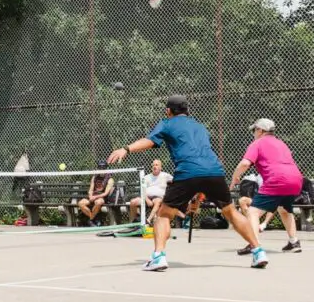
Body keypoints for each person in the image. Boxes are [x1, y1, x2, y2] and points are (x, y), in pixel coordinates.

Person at [108, 95, 268, 271]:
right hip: (214, 171)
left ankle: (158, 256)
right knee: (231, 212)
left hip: (187, 171)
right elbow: (200, 154)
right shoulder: (200, 127)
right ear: (186, 111)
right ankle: (258, 251)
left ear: (168, 111)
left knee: (163, 215)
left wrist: (126, 149)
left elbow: (151, 141)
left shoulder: (167, 123)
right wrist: (199, 191)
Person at [230, 118, 303, 254]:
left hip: (277, 180)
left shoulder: (257, 143)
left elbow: (245, 163)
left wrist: (235, 177)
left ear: (260, 130)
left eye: (254, 130)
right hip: (295, 179)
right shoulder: (282, 143)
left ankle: (254, 245)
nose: (253, 133)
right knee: (285, 210)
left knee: (253, 212)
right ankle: (294, 243)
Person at [129, 159, 173, 224]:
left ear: (161, 167)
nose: (154, 166)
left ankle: (148, 220)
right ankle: (133, 222)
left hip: (159, 198)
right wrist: (147, 200)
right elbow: (143, 190)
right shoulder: (146, 177)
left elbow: (176, 182)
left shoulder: (165, 175)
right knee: (133, 202)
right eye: (153, 165)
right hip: (147, 198)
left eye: (157, 165)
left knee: (157, 201)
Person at [77, 161, 115, 227]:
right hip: (93, 196)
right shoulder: (94, 177)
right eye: (100, 167)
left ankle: (90, 220)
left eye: (103, 168)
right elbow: (91, 189)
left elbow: (106, 193)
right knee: (81, 203)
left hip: (102, 197)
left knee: (98, 202)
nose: (101, 169)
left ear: (106, 168)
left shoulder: (110, 179)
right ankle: (93, 218)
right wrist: (90, 196)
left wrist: (95, 197)